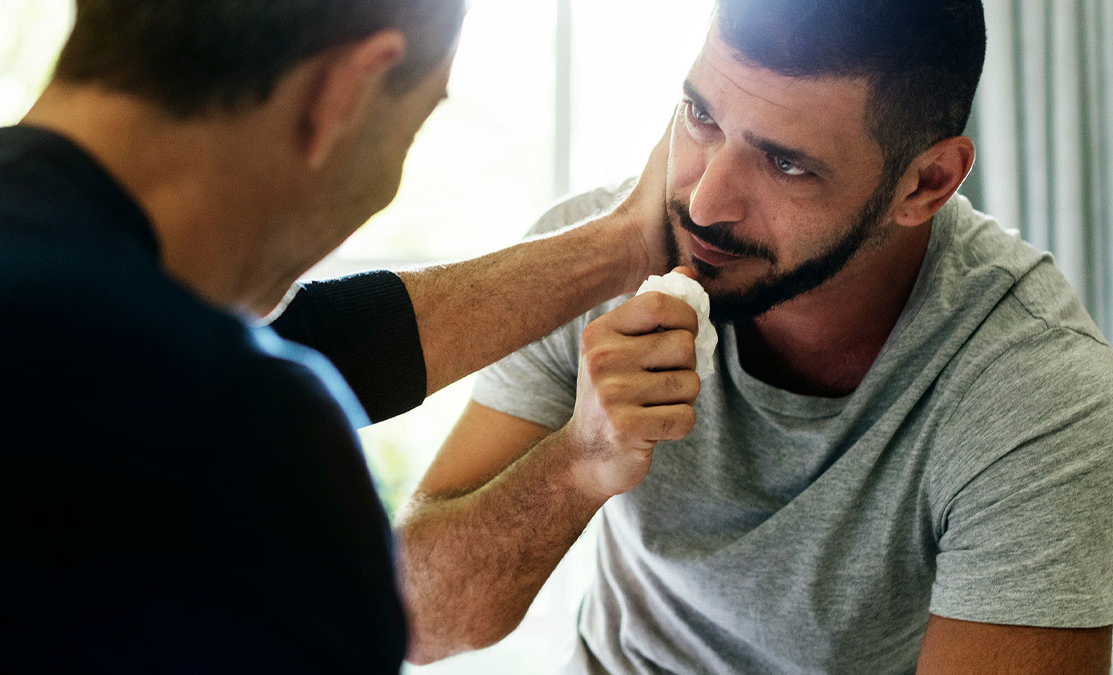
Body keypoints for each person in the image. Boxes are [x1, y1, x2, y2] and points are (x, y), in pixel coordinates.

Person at [0, 1, 674, 672]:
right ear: (342, 93)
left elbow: (289, 334)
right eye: (416, 119)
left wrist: (622, 243)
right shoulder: (252, 434)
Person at [398, 1, 1113, 673]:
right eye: (701, 116)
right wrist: (577, 462)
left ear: (927, 182)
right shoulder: (599, 259)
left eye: (786, 164)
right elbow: (417, 619)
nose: (705, 202)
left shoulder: (1037, 393)